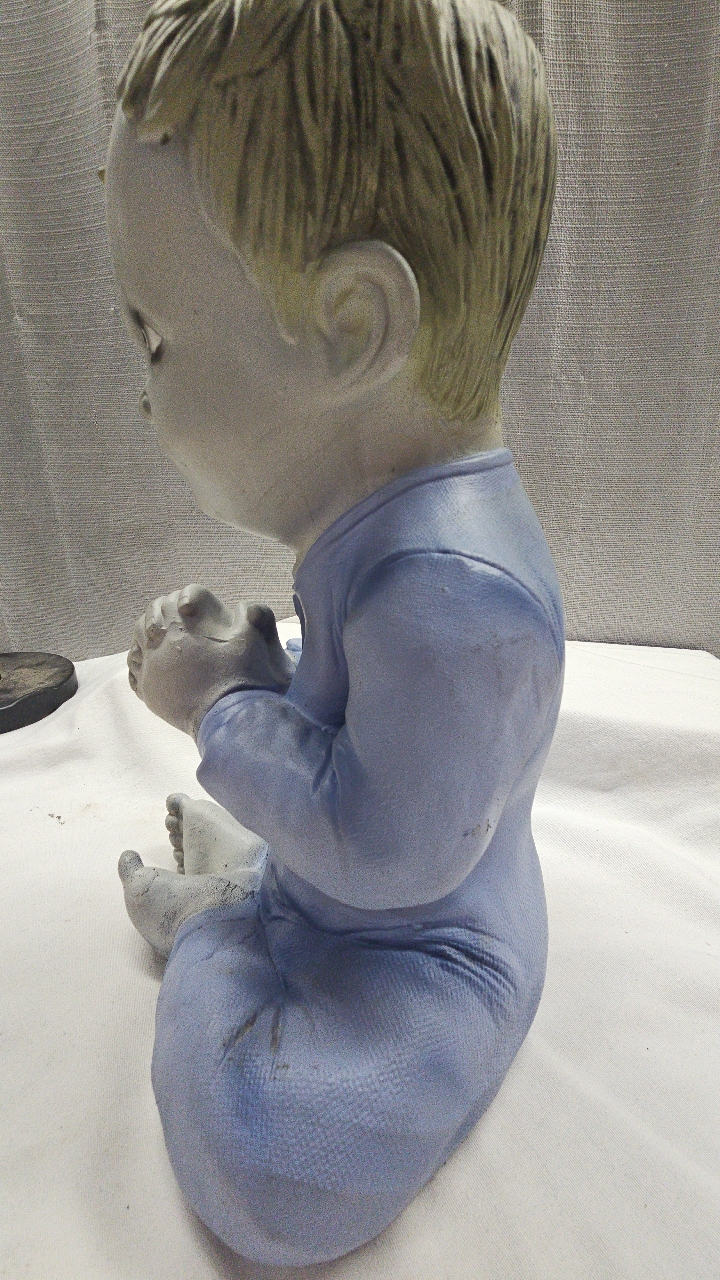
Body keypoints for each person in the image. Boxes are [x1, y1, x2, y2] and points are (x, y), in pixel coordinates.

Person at [105, 0, 563, 1264]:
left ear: (353, 326)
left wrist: (222, 708)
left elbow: (388, 847)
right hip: (352, 891)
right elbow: (376, 725)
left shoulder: (453, 594)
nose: (142, 396)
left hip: (434, 952)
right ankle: (255, 897)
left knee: (278, 1166)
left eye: (158, 339)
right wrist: (271, 671)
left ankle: (220, 928)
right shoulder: (393, 532)